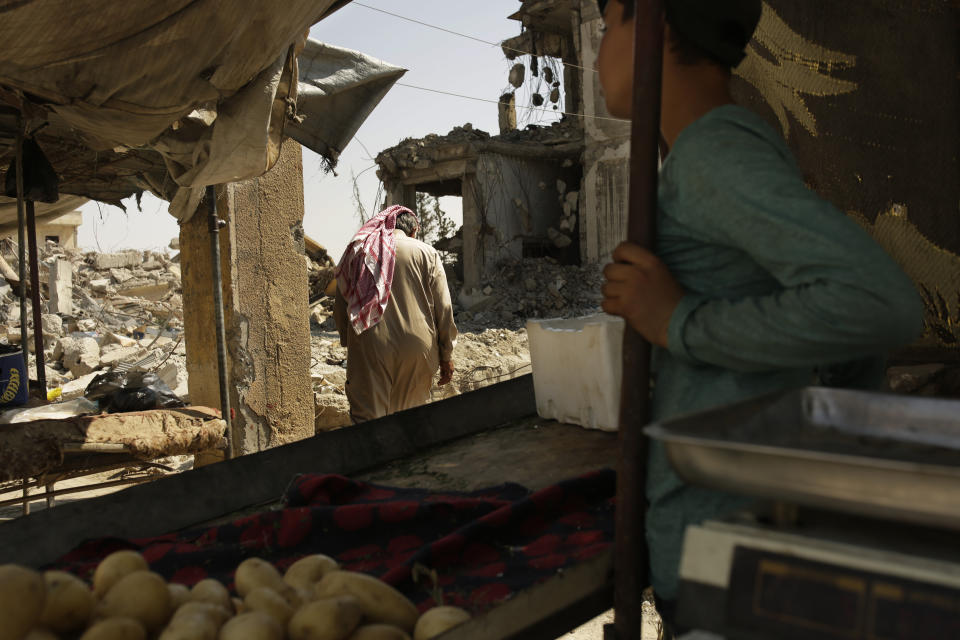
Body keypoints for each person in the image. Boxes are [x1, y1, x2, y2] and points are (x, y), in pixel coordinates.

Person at [596, 0, 924, 617]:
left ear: (656, 24)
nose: (596, 51)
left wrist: (677, 322)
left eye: (609, 22)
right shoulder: (729, 147)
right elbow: (851, 342)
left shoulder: (712, 158)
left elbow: (880, 305)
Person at [334, 205, 457, 422]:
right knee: (412, 423)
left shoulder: (360, 252)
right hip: (418, 348)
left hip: (370, 346)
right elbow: (444, 308)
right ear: (413, 231)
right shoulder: (427, 252)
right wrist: (446, 355)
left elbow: (341, 304)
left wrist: (348, 342)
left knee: (369, 425)